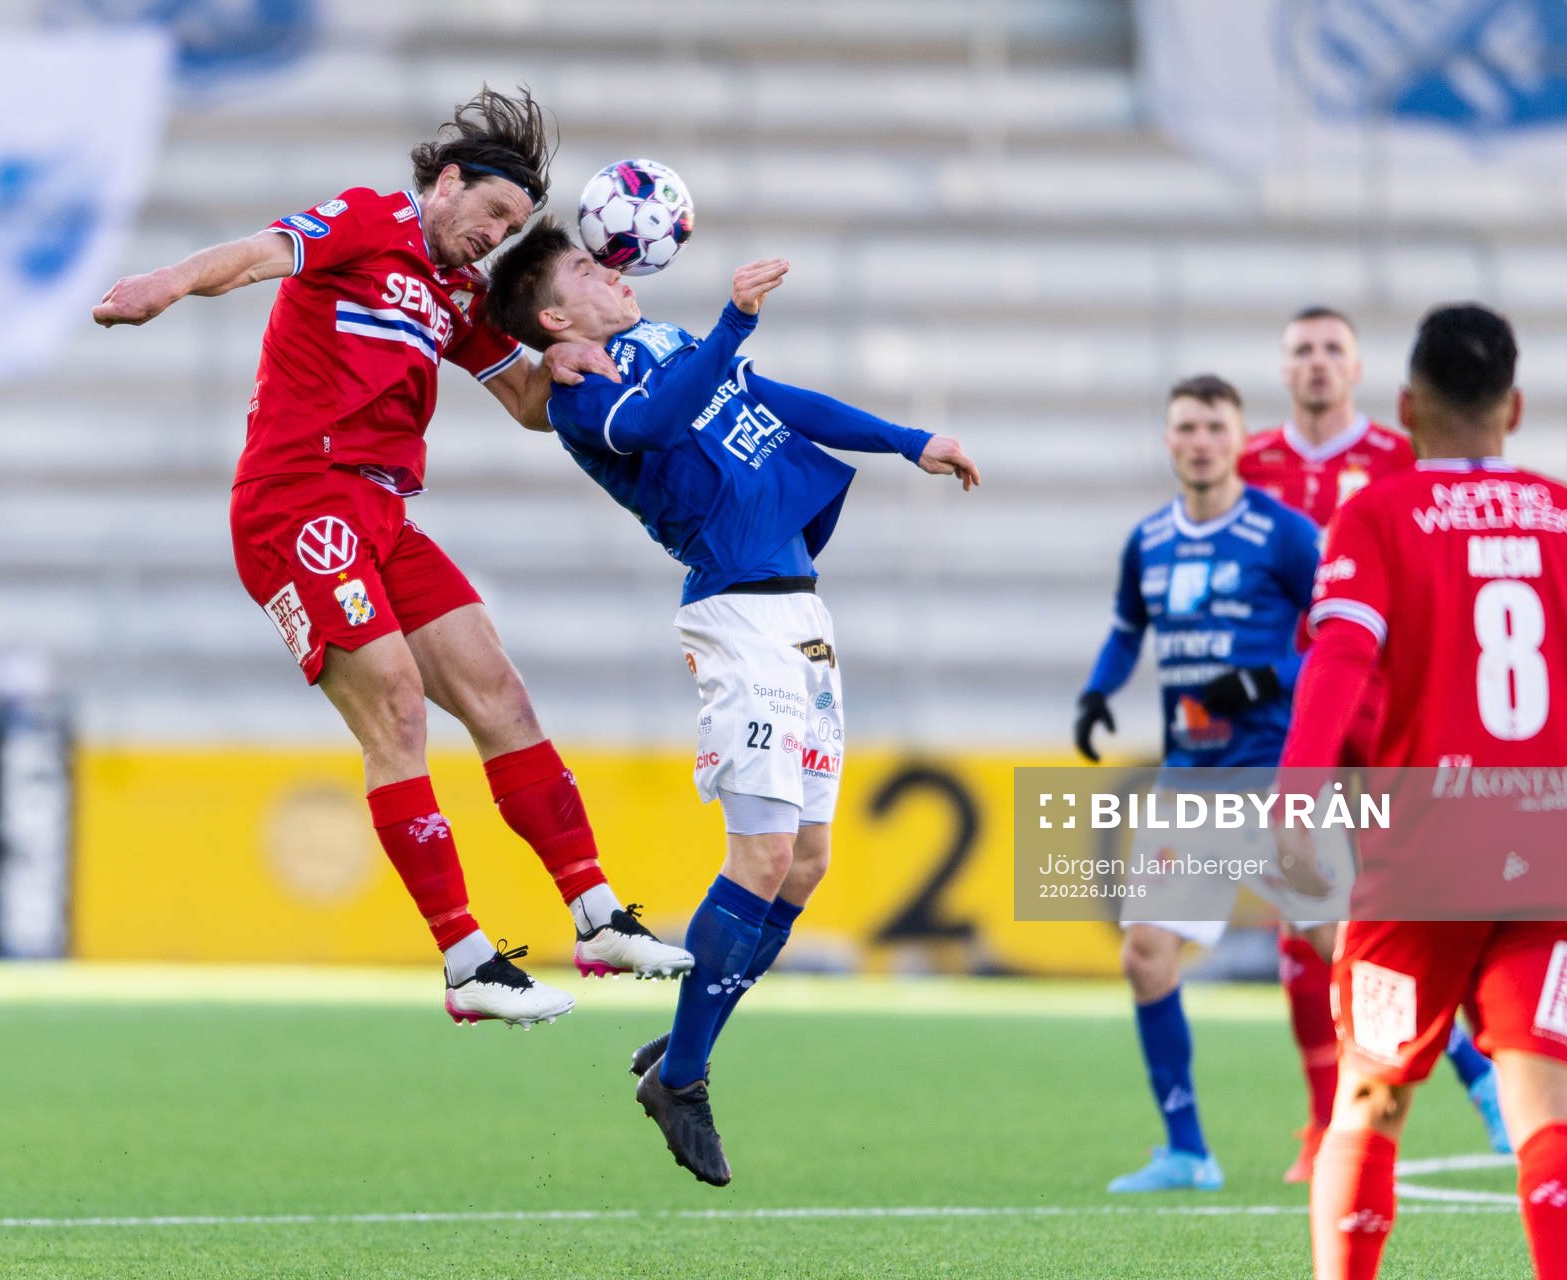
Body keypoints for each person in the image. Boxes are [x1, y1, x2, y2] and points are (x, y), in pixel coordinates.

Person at [91, 87, 692, 1027]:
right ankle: (465, 959)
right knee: (398, 711)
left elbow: (526, 404)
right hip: (298, 502)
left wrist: (577, 357)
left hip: (384, 512)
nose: (492, 238)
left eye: (511, 229)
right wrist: (164, 285)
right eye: (491, 213)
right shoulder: (372, 220)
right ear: (447, 183)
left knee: (501, 696)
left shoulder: (458, 296)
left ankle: (597, 916)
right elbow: (259, 253)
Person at [485, 218, 978, 1186]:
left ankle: (683, 1047)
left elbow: (775, 402)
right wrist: (733, 320)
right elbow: (655, 426)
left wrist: (908, 439)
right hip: (736, 617)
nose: (614, 272)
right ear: (554, 318)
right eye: (587, 268)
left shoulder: (667, 344)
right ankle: (684, 1076)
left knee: (806, 863)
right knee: (761, 854)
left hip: (800, 611)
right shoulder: (584, 398)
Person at [1276, 304, 1567, 1280]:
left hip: (1424, 858)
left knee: (1370, 1100)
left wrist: (1297, 798)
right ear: (1516, 407)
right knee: (1549, 1114)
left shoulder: (1378, 516)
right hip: (1559, 856)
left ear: (1405, 406)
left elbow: (1339, 658)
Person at [1240, 306, 1506, 1180]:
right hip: (1296, 713)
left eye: (1333, 349)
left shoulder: (1401, 457)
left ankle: (1481, 1071)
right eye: (1303, 350)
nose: (1317, 363)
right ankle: (1329, 1126)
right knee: (1302, 921)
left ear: (1358, 371)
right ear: (1284, 369)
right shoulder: (1250, 465)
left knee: (1418, 907)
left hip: (1392, 706)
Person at [1073, 374, 1349, 1193]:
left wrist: (1267, 679)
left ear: (1239, 440)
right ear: (1169, 440)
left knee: (1351, 952)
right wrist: (1097, 691)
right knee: (1146, 954)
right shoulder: (1149, 540)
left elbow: (1340, 635)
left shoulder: (1285, 534)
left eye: (1214, 428)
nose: (1199, 442)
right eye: (1186, 428)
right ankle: (1188, 1150)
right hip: (1188, 784)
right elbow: (1127, 630)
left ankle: (1478, 1077)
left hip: (1275, 781)